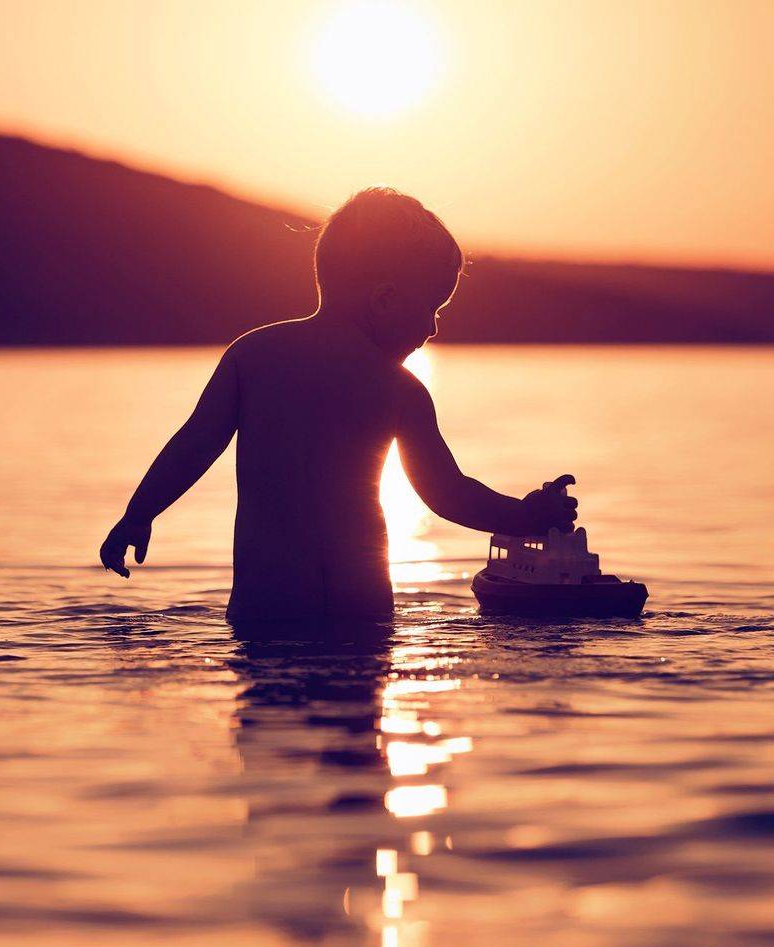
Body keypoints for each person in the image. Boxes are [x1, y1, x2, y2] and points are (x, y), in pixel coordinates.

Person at [100, 187, 578, 622]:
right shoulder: (399, 390)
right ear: (385, 300)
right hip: (358, 616)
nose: (433, 329)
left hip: (264, 613)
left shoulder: (252, 356)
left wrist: (139, 513)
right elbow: (447, 493)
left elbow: (193, 445)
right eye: (431, 309)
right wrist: (527, 516)